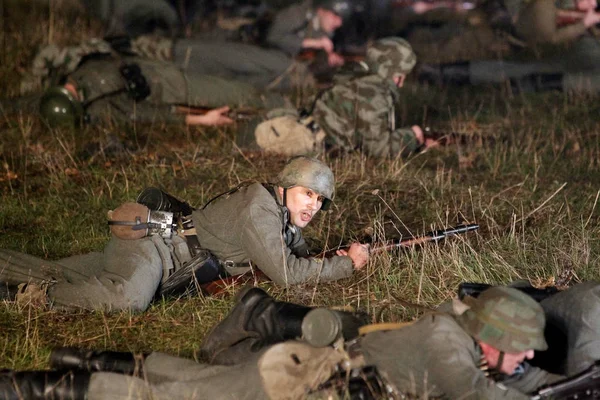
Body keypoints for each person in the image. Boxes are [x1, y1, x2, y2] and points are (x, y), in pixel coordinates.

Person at [0, 285, 565, 399]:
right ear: (489, 336)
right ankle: (29, 389)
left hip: (302, 369)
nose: (529, 356)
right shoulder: (447, 346)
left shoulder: (455, 327)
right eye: (520, 346)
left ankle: (84, 360)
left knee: (188, 380)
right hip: (290, 385)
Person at [0, 157, 370, 311]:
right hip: (155, 250)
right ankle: (34, 298)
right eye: (308, 193)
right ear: (288, 186)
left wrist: (329, 258)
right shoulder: (259, 208)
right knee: (127, 300)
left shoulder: (282, 215)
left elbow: (298, 258)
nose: (313, 206)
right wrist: (347, 267)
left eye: (320, 200)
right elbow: (288, 274)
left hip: (163, 257)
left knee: (61, 268)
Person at [239, 38, 438, 158]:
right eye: (398, 76)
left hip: (305, 123)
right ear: (389, 71)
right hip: (308, 140)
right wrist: (413, 136)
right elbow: (378, 148)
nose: (401, 83)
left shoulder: (355, 74)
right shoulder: (374, 94)